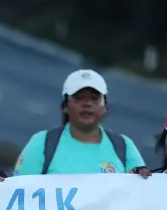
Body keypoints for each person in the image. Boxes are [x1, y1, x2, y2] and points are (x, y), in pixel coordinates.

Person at [13, 70, 147, 176]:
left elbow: (139, 196)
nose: (87, 104)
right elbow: (20, 194)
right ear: (65, 105)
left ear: (105, 105)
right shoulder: (41, 143)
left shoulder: (124, 147)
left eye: (94, 98)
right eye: (78, 98)